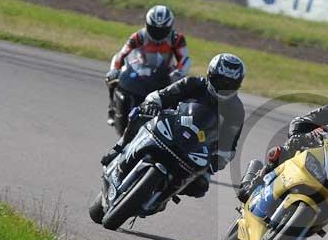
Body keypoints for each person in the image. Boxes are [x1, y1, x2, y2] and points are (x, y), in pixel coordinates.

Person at [102, 53, 246, 199]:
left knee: (200, 187)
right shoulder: (193, 83)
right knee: (139, 114)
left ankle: (162, 197)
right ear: (210, 75)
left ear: (238, 85)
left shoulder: (236, 111)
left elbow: (228, 147)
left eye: (229, 85)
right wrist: (153, 104)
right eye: (220, 81)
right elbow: (162, 95)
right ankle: (118, 149)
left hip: (197, 147)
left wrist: (212, 165)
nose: (224, 87)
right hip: (170, 125)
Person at [105, 5, 191, 125]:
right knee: (113, 79)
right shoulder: (139, 36)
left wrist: (176, 74)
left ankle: (174, 122)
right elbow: (121, 54)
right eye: (154, 29)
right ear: (147, 24)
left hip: (164, 74)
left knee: (181, 92)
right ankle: (112, 108)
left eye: (162, 30)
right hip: (140, 70)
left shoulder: (176, 39)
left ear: (170, 27)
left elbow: (185, 59)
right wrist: (114, 70)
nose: (158, 33)